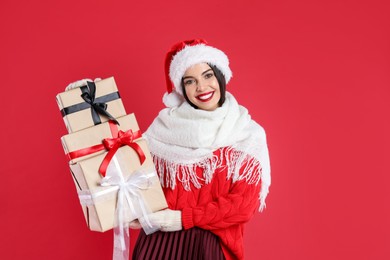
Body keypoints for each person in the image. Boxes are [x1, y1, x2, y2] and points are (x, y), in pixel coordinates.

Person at [130, 39, 271, 260]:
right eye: (190, 81)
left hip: (209, 246)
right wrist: (91, 103)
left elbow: (243, 206)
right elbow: (125, 170)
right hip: (157, 244)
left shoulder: (247, 133)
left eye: (208, 76)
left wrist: (181, 219)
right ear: (182, 88)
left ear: (221, 75)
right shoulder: (163, 128)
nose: (202, 88)